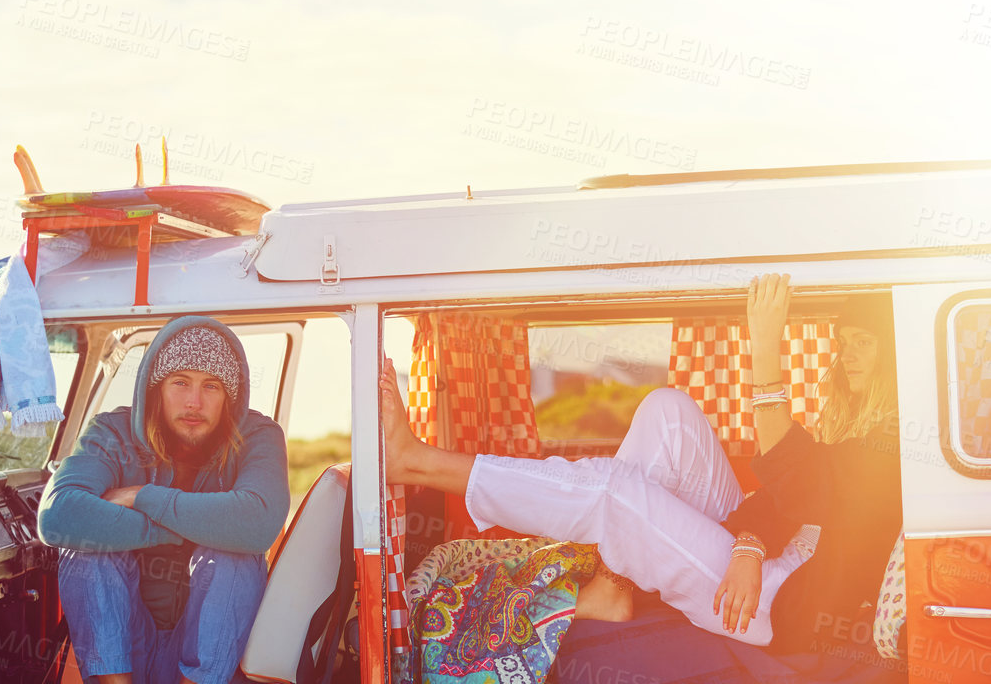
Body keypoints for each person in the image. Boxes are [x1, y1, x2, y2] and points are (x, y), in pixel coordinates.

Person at [381, 274, 902, 654]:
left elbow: (795, 475)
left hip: (778, 600)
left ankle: (420, 463)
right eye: (843, 343)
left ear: (895, 360)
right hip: (766, 556)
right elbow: (790, 499)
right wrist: (748, 543)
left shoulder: (895, 450)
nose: (847, 355)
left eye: (864, 343)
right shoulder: (853, 429)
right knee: (668, 410)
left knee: (613, 493)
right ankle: (614, 587)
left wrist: (765, 346)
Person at [39, 316, 288, 684]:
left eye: (211, 386)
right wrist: (190, 524)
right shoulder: (113, 432)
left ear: (230, 396)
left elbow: (258, 523)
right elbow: (59, 514)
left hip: (213, 659)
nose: (194, 402)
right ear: (156, 386)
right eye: (180, 383)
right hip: (124, 654)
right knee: (86, 550)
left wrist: (142, 498)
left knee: (233, 552)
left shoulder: (259, 435)